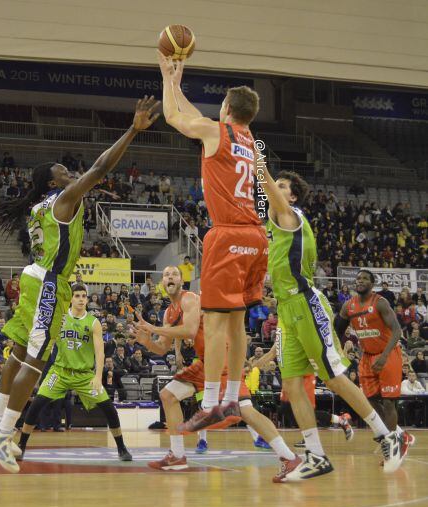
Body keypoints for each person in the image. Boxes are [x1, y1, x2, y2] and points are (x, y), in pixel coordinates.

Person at [0, 96, 161, 472]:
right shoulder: (63, 200)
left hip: (35, 277)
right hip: (48, 284)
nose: (71, 173)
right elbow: (99, 167)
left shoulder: (39, 207)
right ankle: (5, 431)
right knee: (36, 359)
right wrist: (133, 129)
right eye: (64, 170)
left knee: (16, 353)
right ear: (53, 181)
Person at [258, 164, 407, 475]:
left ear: (293, 196)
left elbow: (266, 186)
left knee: (333, 377)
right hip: (286, 309)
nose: (277, 189)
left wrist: (253, 156)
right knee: (292, 384)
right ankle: (315, 456)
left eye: (283, 186)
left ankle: (389, 436)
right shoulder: (273, 225)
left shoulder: (290, 217)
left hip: (307, 304)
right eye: (278, 185)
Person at [158, 54, 267, 433]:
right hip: (257, 237)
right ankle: (232, 397)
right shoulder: (250, 141)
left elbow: (174, 116)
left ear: (226, 108)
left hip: (229, 232)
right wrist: (177, 84)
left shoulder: (215, 132)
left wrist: (166, 76)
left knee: (215, 321)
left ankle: (208, 404)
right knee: (237, 325)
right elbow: (190, 113)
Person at [135, 266, 301, 482]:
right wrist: (147, 341)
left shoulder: (189, 299)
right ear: (162, 283)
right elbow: (162, 348)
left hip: (222, 359)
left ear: (181, 281)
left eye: (174, 274)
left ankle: (288, 457)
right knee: (168, 395)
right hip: (206, 362)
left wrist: (154, 329)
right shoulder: (169, 312)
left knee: (247, 412)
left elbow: (190, 331)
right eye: (166, 275)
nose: (170, 277)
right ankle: (177, 456)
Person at [16, 284, 133, 463]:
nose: (80, 299)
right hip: (60, 371)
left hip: (84, 374)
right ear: (71, 299)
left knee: (109, 408)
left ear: (87, 299)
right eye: (77, 295)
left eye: (83, 296)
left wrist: (97, 376)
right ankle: (21, 446)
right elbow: (45, 339)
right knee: (37, 404)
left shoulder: (93, 322)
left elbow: (100, 352)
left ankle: (121, 448)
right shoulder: (60, 319)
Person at [336, 269, 411, 464]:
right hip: (366, 357)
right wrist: (339, 348)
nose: (360, 281)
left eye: (364, 279)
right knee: (370, 402)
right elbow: (337, 330)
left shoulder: (380, 302)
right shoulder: (348, 306)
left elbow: (397, 330)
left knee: (388, 402)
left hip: (387, 354)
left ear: (372, 283)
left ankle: (393, 445)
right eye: (358, 278)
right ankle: (401, 436)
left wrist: (385, 356)